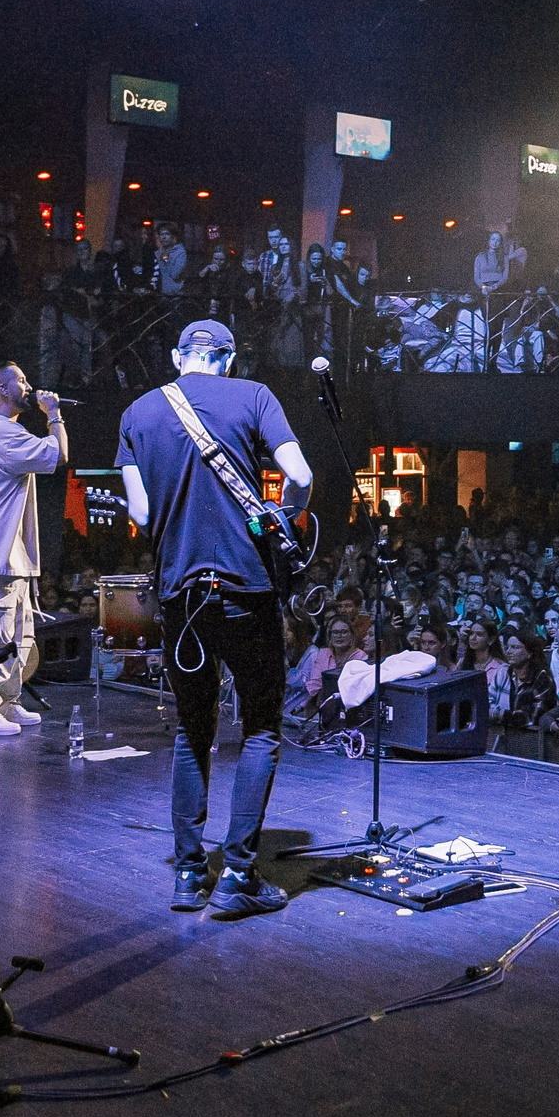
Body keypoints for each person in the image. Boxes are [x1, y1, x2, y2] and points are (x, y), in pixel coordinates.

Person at [117, 319, 313, 919]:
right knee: (259, 729)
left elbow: (144, 514)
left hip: (181, 595)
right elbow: (300, 477)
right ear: (227, 359)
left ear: (178, 357)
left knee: (190, 733)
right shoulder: (253, 396)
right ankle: (236, 878)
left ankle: (186, 876)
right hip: (246, 590)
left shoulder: (138, 413)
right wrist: (281, 518)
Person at [0, 363, 66, 735]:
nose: (29, 386)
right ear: (3, 391)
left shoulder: (7, 432)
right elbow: (58, 457)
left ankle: (7, 701)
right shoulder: (0, 434)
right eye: (20, 381)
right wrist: (54, 416)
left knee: (20, 636)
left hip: (12, 553)